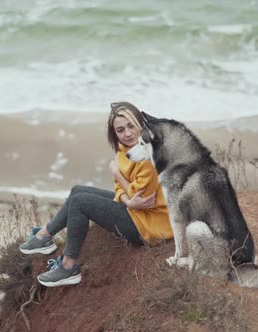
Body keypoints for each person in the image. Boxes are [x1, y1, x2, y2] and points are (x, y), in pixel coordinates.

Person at [19, 101, 173, 287]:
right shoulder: (125, 151)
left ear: (141, 124)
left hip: (150, 226)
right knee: (78, 190)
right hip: (137, 212)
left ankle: (69, 267)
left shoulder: (148, 155)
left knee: (81, 202)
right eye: (120, 130)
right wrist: (128, 200)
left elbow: (138, 195)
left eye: (131, 126)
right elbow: (122, 191)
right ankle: (44, 236)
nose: (128, 133)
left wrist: (118, 176)